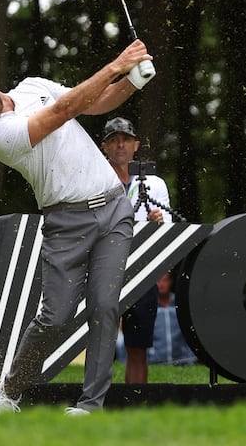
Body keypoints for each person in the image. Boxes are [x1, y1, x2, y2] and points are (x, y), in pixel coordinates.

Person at [0, 39, 154, 416]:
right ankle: (8, 392)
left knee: (105, 307)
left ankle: (90, 406)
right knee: (55, 317)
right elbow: (63, 111)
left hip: (113, 208)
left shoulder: (32, 86)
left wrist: (133, 81)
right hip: (65, 223)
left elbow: (96, 103)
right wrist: (118, 64)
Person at [100, 116, 173, 384]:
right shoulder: (95, 180)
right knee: (100, 345)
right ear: (104, 147)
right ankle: (96, 402)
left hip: (142, 271)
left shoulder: (155, 184)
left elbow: (167, 231)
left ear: (136, 145)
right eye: (114, 140)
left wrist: (158, 223)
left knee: (137, 345)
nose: (120, 145)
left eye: (126, 140)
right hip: (103, 271)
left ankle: (136, 400)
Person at [116, 271, 197, 367]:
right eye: (158, 281)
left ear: (171, 281)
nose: (161, 284)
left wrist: (191, 358)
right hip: (152, 360)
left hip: (181, 360)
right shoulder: (145, 305)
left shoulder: (180, 304)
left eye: (165, 280)